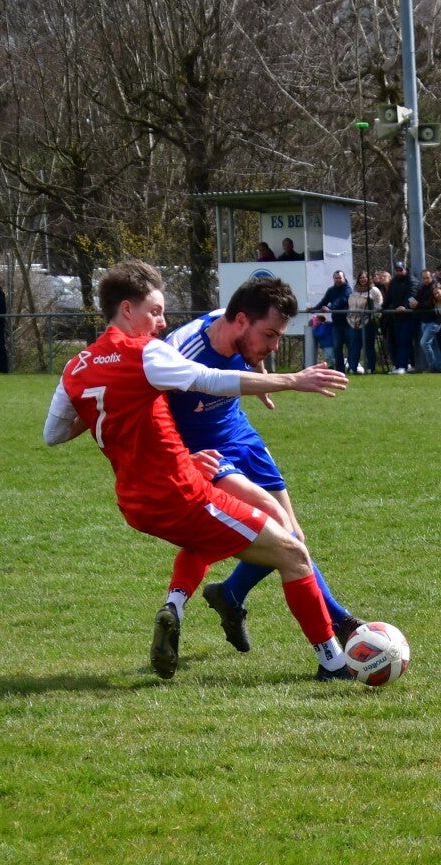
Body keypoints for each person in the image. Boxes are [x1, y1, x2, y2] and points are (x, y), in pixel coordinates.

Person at [42, 261, 351, 681]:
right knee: (291, 549)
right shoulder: (149, 353)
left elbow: (54, 434)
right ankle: (334, 662)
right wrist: (291, 380)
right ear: (127, 309)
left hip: (135, 503)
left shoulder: (76, 367)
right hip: (182, 492)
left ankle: (181, 603)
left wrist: (112, 402)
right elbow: (210, 379)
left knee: (218, 539)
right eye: (155, 311)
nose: (162, 322)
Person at [162, 276, 365, 654]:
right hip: (205, 453)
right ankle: (343, 624)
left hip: (239, 434)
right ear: (241, 321)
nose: (274, 345)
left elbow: (252, 346)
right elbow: (146, 409)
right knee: (278, 534)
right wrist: (178, 458)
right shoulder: (180, 351)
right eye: (269, 336)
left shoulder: (242, 323)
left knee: (293, 536)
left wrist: (262, 376)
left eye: (278, 337)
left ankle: (229, 594)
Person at [310, 269, 353, 372]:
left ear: (344, 278)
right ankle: (340, 370)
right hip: (337, 324)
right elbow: (324, 301)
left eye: (340, 278)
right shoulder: (331, 290)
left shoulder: (348, 289)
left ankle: (352, 368)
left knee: (351, 347)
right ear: (333, 279)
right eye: (336, 278)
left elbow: (341, 300)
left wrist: (330, 308)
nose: (338, 280)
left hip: (348, 323)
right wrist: (314, 309)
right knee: (337, 347)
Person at [382, 261, 415, 373]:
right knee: (398, 342)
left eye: (401, 270)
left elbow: (412, 295)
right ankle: (401, 365)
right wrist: (382, 307)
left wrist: (405, 306)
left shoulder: (411, 281)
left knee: (404, 341)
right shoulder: (394, 282)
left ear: (405, 269)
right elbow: (389, 297)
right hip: (397, 317)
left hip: (409, 317)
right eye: (397, 270)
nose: (399, 272)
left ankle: (403, 366)